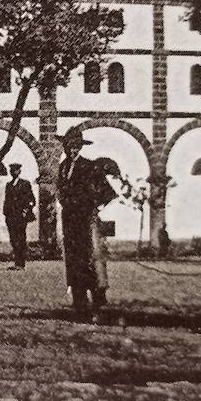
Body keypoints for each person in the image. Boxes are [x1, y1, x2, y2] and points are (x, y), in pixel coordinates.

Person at [56, 126, 117, 322]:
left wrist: (93, 207)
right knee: (73, 259)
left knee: (90, 258)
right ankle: (79, 299)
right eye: (68, 146)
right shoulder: (63, 167)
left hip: (86, 221)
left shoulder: (89, 166)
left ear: (80, 148)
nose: (71, 150)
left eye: (75, 146)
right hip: (70, 221)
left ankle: (98, 298)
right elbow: (61, 191)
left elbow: (107, 193)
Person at [2, 163, 36, 269]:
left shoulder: (25, 184)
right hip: (10, 216)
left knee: (20, 238)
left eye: (15, 170)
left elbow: (32, 200)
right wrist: (6, 213)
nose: (13, 172)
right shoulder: (9, 185)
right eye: (11, 170)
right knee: (13, 239)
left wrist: (26, 210)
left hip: (20, 216)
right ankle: (17, 262)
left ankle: (20, 263)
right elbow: (7, 200)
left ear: (19, 172)